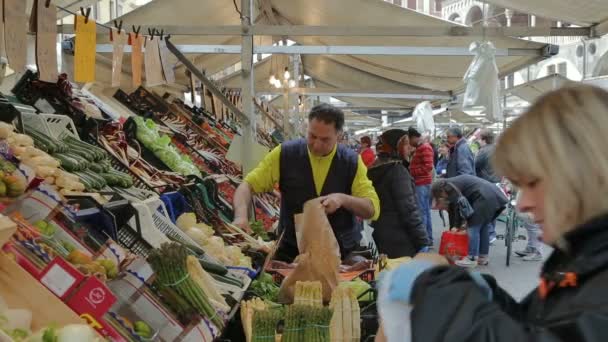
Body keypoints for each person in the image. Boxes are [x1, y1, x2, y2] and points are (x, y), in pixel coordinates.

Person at [376, 85, 608, 342]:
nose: (523, 204)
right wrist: (489, 295)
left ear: (585, 173)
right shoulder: (584, 261)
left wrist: (442, 293)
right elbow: (540, 325)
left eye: (533, 183)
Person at [232, 103, 380, 263]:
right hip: (291, 253)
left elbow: (371, 209)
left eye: (325, 140)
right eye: (312, 136)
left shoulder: (351, 162)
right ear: (306, 128)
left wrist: (342, 199)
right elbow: (247, 186)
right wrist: (241, 216)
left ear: (339, 135)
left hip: (341, 256)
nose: (316, 144)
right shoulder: (284, 154)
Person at [367, 129, 430, 258]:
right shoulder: (398, 171)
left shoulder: (374, 167)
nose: (410, 149)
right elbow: (408, 209)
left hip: (380, 231)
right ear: (397, 146)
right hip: (400, 237)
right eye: (406, 145)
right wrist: (422, 240)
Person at [431, 175, 507, 267]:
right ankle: (483, 257)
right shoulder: (452, 182)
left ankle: (471, 258)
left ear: (440, 191)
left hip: (483, 197)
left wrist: (456, 225)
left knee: (473, 226)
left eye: (440, 196)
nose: (443, 198)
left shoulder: (448, 187)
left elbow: (457, 206)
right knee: (483, 227)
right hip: (493, 194)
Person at [408, 127, 435, 245]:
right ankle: (428, 239)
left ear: (414, 137)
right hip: (421, 183)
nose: (409, 143)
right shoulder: (420, 148)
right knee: (425, 211)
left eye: (409, 139)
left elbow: (428, 167)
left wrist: (411, 171)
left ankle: (423, 241)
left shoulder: (425, 147)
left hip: (422, 184)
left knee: (422, 212)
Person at [475, 129, 501, 243]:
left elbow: (475, 166)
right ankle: (491, 233)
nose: (477, 141)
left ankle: (488, 234)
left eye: (479, 139)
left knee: (484, 210)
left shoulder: (483, 151)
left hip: (485, 183)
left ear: (483, 139)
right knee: (493, 209)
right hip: (497, 182)